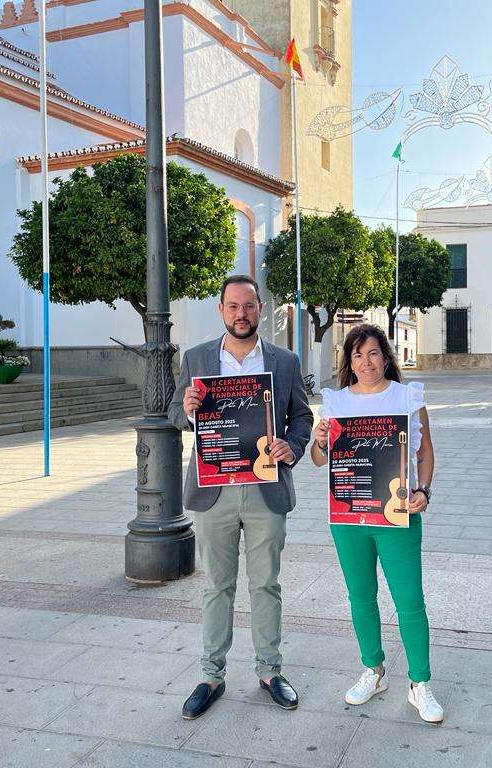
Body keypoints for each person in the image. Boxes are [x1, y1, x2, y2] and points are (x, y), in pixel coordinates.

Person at [168, 274, 312, 719]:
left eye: (249, 306)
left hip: (266, 489)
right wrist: (187, 411)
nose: (241, 314)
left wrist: (293, 445)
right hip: (215, 490)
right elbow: (174, 413)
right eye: (233, 306)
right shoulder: (197, 358)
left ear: (260, 309)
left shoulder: (285, 361)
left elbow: (302, 417)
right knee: (217, 586)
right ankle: (211, 676)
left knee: (266, 583)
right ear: (221, 310)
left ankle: (270, 671)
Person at [310, 323, 443, 723]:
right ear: (349, 363)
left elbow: (425, 454)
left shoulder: (408, 397)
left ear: (386, 358)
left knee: (410, 600)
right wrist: (320, 441)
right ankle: (374, 669)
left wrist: (424, 492)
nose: (366, 362)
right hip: (349, 518)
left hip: (397, 515)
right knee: (361, 597)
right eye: (357, 355)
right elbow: (318, 460)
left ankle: (420, 683)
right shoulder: (335, 403)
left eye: (372, 353)